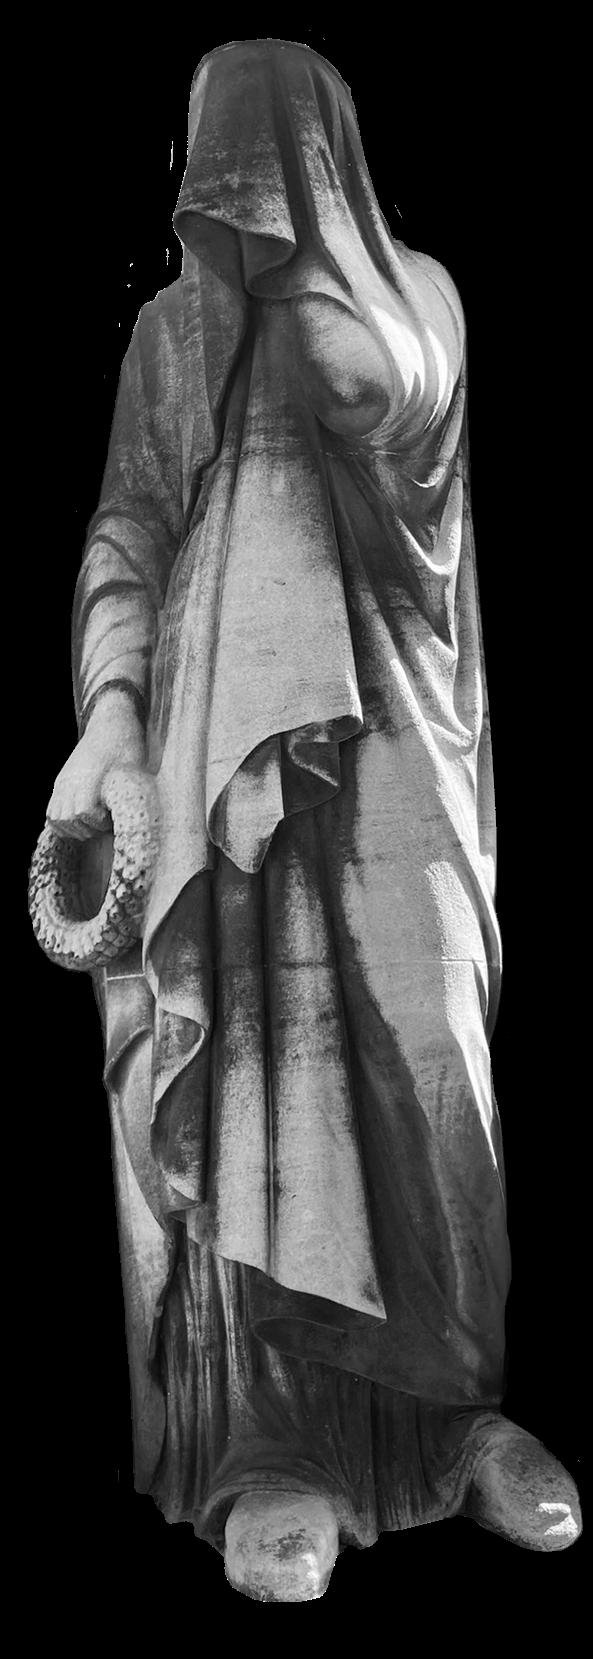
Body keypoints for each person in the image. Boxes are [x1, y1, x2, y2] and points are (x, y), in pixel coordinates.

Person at [47, 39, 581, 1600]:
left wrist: (297, 263)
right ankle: (268, 1448)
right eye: (209, 163)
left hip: (399, 747)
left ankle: (449, 1424)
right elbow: (129, 525)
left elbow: (374, 392)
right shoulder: (172, 330)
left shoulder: (412, 299)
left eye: (258, 155)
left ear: (323, 158)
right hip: (213, 754)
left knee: (430, 1061)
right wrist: (111, 720)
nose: (223, 195)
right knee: (243, 1073)